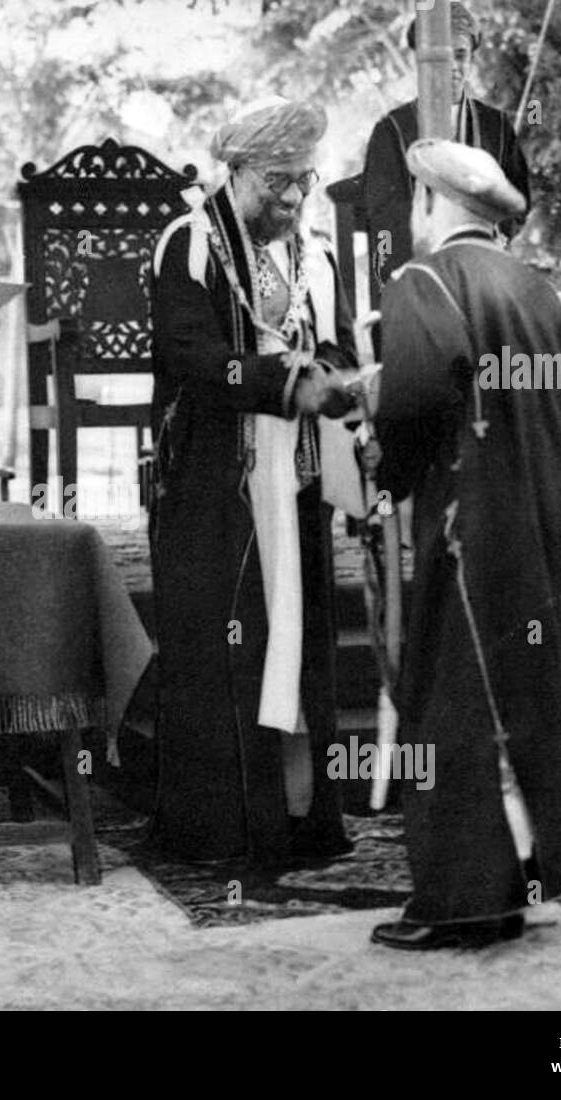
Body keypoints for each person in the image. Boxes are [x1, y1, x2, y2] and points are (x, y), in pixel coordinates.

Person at [370, 139, 561, 950]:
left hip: (474, 517)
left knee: (454, 698)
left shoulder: (423, 279)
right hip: (554, 510)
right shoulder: (537, 286)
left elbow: (408, 400)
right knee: (535, 687)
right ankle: (542, 864)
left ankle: (464, 902)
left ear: (432, 202)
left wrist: (383, 474)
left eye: (413, 198)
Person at [148, 98, 359, 866]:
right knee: (225, 644)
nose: (295, 198)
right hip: (215, 486)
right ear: (234, 171)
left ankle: (303, 817)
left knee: (299, 640)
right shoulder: (190, 244)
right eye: (278, 182)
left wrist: (333, 379)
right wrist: (283, 382)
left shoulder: (318, 253)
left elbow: (334, 342)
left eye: (304, 180)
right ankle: (224, 831)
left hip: (298, 478)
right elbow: (193, 359)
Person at [362, 3, 529, 308]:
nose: (452, 66)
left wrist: (497, 238)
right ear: (420, 59)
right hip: (419, 274)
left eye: (461, 55)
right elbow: (383, 217)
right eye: (442, 55)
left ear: (471, 58)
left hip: (484, 272)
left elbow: (518, 203)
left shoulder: (497, 126)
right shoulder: (391, 130)